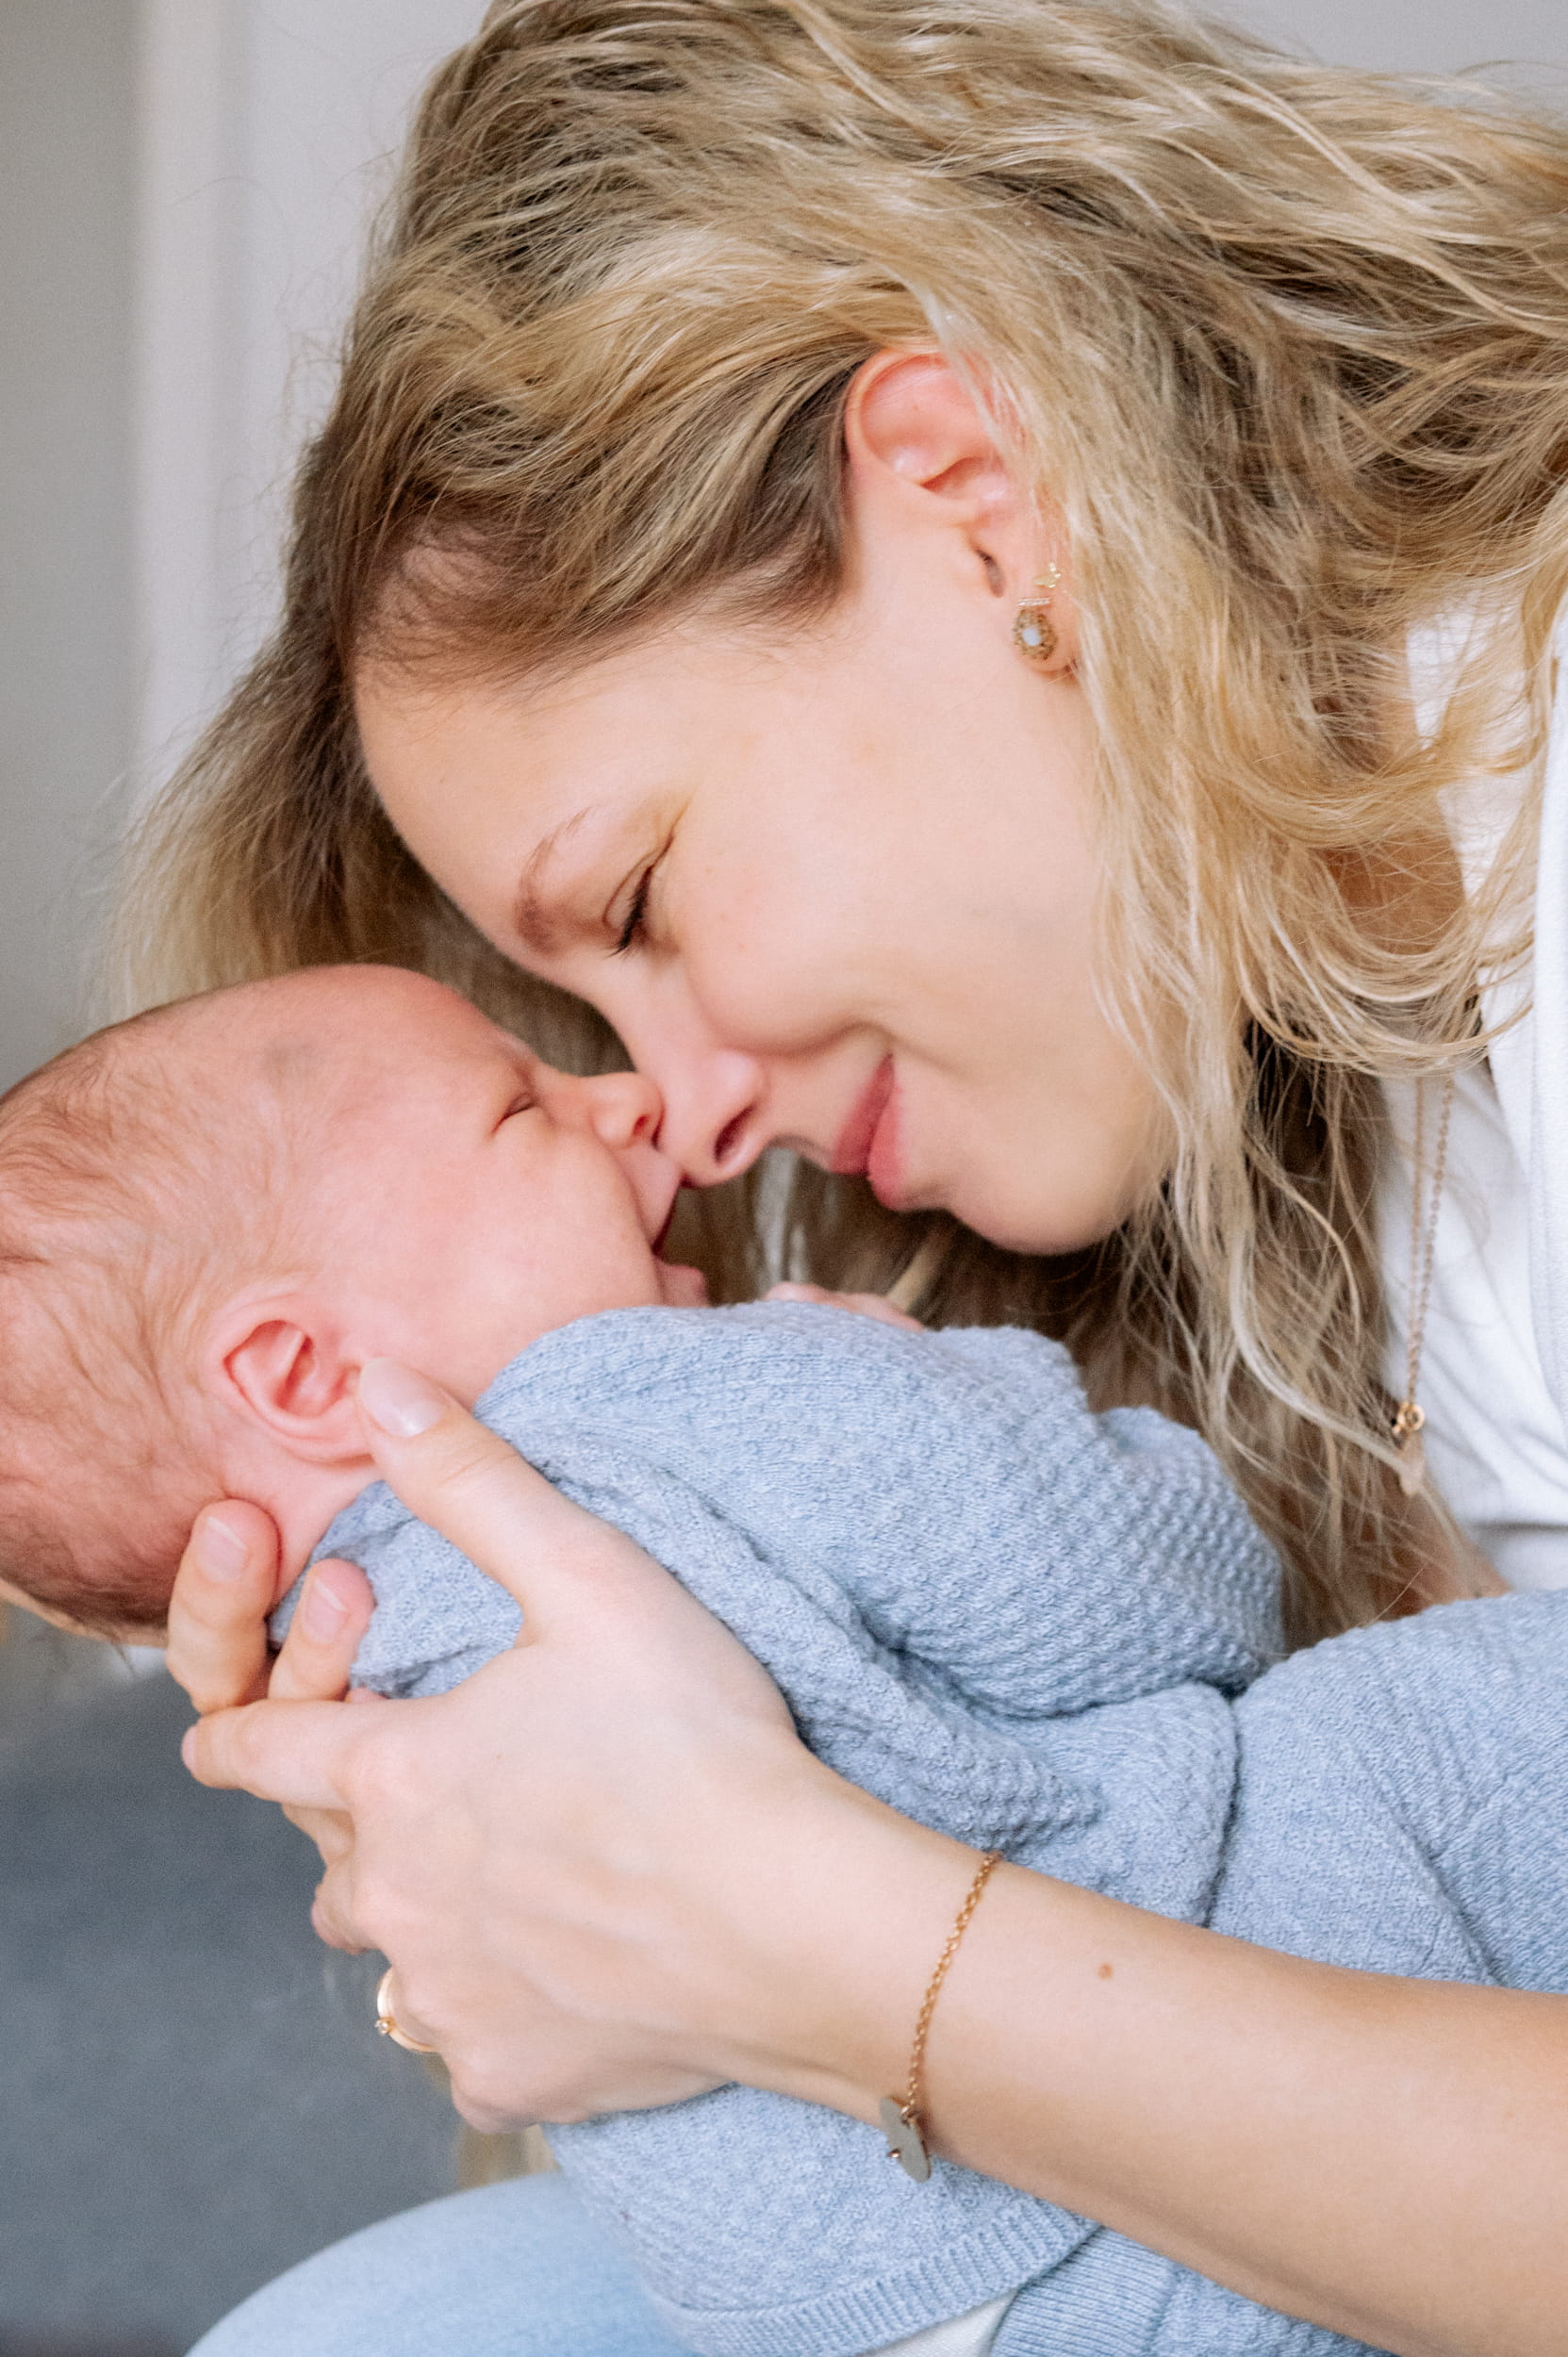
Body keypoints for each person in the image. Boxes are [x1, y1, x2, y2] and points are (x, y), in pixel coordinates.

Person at [105, 1, 1568, 2350]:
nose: (671, 1114)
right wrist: (507, 1770)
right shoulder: (1300, 1088)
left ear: (977, 502)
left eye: (649, 901)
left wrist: (801, 1940)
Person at [5, 972, 1561, 2357]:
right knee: (1431, 1727)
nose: (629, 1099)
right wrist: (924, 1385)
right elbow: (1159, 1594)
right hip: (1144, 2203)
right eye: (520, 1106)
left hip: (848, 2298)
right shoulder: (647, 1405)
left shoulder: (350, 1680)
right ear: (306, 1371)